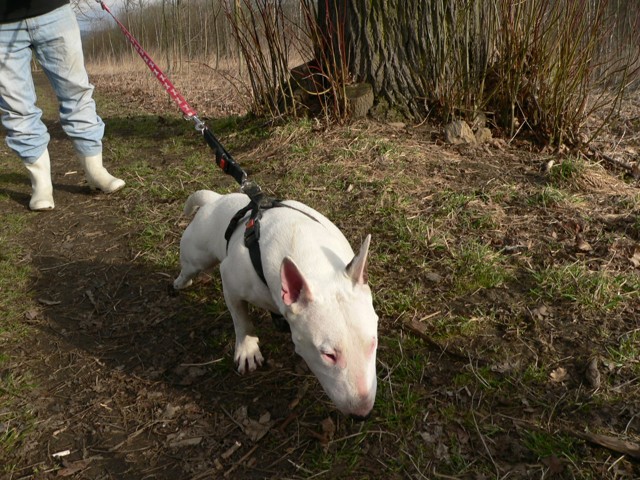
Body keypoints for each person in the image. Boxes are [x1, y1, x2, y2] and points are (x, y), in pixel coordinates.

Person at [0, 1, 124, 211]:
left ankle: (95, 171)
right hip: (2, 23)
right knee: (16, 107)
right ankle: (41, 185)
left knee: (77, 93)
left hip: (53, 10)